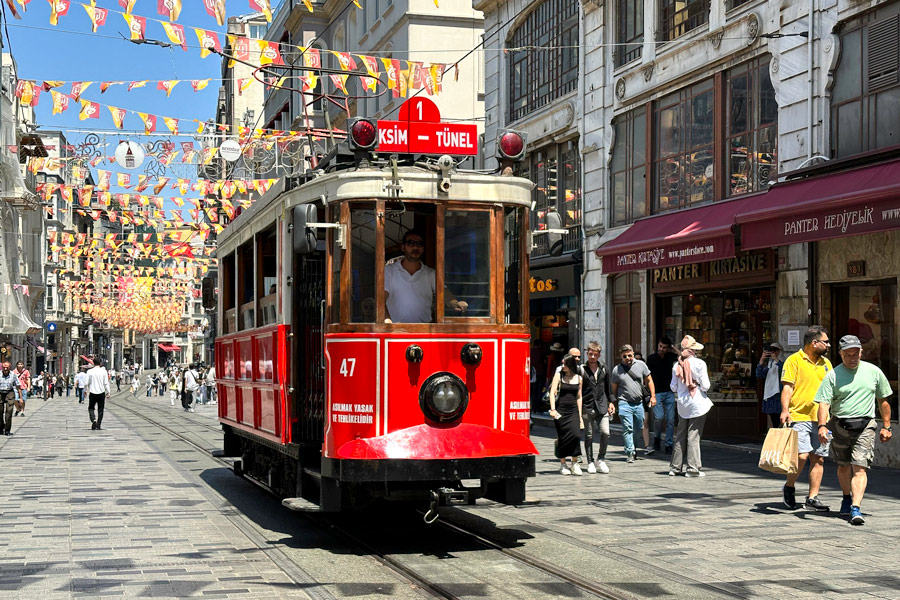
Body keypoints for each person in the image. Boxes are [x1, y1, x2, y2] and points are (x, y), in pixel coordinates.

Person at [815, 335, 893, 525]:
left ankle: (856, 508)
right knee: (843, 465)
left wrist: (887, 426)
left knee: (860, 466)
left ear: (861, 352)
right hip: (840, 425)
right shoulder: (833, 375)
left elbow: (883, 400)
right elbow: (824, 403)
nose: (852, 358)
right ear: (840, 354)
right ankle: (846, 497)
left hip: (866, 425)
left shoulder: (873, 372)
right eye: (848, 354)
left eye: (855, 354)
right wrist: (822, 426)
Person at [780, 325, 832, 512]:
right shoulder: (794, 360)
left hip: (821, 418)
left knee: (818, 458)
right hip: (799, 415)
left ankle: (812, 497)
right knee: (801, 456)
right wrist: (785, 410)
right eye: (825, 342)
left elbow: (831, 389)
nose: (828, 345)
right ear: (814, 342)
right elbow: (787, 388)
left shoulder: (826, 363)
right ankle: (789, 485)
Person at [383, 229, 467, 323]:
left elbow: (443, 293)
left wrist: (455, 303)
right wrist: (387, 320)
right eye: (410, 243)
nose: (415, 247)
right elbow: (381, 299)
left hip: (424, 329)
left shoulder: (430, 273)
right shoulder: (389, 271)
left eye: (419, 244)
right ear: (403, 247)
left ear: (423, 248)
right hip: (396, 329)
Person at [669, 335, 713, 477]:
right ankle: (692, 469)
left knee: (680, 435)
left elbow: (673, 387)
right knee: (693, 436)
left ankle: (675, 467)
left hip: (683, 404)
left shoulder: (677, 365)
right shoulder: (700, 364)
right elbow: (706, 386)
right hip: (697, 403)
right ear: (693, 350)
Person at [611, 344, 656, 463]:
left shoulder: (641, 365)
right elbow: (614, 388)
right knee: (627, 428)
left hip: (638, 403)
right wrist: (613, 402)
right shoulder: (616, 370)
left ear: (633, 354)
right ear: (621, 356)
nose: (628, 358)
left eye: (629, 355)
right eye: (624, 356)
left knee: (638, 428)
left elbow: (649, 381)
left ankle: (633, 448)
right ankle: (630, 452)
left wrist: (653, 396)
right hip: (624, 402)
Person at [581, 341, 614, 474]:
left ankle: (601, 459)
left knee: (605, 432)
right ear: (587, 353)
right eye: (590, 354)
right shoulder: (582, 369)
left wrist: (611, 402)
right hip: (587, 405)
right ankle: (590, 461)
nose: (592, 357)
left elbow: (608, 388)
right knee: (588, 435)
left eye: (595, 354)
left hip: (602, 404)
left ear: (599, 354)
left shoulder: (604, 369)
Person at [548, 355, 584, 475]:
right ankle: (563, 464)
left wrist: (580, 415)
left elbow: (579, 397)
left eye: (565, 364)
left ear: (571, 365)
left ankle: (574, 463)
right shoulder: (558, 376)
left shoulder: (579, 378)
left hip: (573, 410)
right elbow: (552, 393)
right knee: (562, 437)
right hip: (560, 410)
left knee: (576, 435)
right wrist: (553, 409)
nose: (563, 366)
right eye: (562, 363)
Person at [647, 337, 679, 453]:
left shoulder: (671, 356)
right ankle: (657, 438)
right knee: (659, 417)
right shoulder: (651, 358)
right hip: (657, 392)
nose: (661, 349)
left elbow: (683, 358)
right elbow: (647, 377)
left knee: (670, 420)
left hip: (669, 392)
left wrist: (674, 348)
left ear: (668, 348)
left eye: (664, 347)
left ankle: (668, 444)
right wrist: (651, 394)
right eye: (660, 346)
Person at [756, 342, 785, 429]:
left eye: (775, 350)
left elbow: (784, 371)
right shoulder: (770, 363)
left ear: (780, 351)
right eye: (771, 350)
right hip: (770, 394)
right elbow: (759, 375)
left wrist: (776, 359)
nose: (773, 352)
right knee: (774, 418)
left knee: (781, 418)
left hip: (779, 393)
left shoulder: (784, 361)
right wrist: (761, 360)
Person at [85, 357, 111, 430]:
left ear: (93, 363)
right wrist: (108, 392)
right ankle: (98, 424)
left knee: (91, 408)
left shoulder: (89, 371)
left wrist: (85, 391)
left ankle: (93, 420)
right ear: (100, 363)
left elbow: (86, 382)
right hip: (101, 393)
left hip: (92, 392)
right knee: (100, 409)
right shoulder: (104, 371)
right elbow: (106, 383)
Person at [0, 360, 21, 436]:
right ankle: (1, 427)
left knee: (9, 411)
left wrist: (20, 398)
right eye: (4, 367)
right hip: (0, 392)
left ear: (10, 367)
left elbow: (18, 386)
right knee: (0, 411)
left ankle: (7, 429)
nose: (5, 369)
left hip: (10, 392)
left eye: (7, 367)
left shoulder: (13, 375)